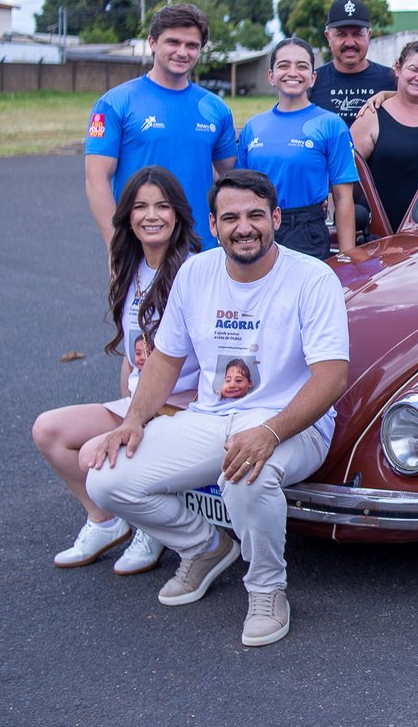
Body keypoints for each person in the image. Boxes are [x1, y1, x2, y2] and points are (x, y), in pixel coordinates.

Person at [83, 169, 349, 647]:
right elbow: (165, 358)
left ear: (277, 218)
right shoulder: (195, 272)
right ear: (212, 223)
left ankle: (267, 588)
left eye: (255, 215)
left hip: (293, 423)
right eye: (231, 218)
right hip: (213, 418)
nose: (244, 227)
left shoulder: (312, 277)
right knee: (105, 478)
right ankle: (203, 546)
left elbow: (331, 376)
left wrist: (269, 432)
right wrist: (133, 419)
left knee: (244, 473)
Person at [33, 166, 203, 575]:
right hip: (139, 403)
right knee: (49, 431)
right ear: (127, 215)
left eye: (163, 206)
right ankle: (105, 521)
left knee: (117, 455)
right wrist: (127, 404)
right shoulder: (128, 267)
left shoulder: (195, 271)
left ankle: (153, 523)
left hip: (182, 408)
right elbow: (133, 351)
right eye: (141, 206)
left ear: (178, 213)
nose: (152, 215)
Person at [85, 3, 236, 249]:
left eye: (192, 45)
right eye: (173, 42)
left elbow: (230, 176)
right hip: (139, 249)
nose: (182, 52)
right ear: (153, 43)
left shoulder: (216, 108)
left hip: (201, 249)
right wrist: (115, 247)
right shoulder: (115, 103)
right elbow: (96, 178)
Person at [236, 38, 358, 258]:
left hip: (306, 232)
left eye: (301, 66)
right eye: (283, 65)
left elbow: (343, 198)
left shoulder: (331, 125)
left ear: (312, 78)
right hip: (258, 227)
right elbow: (241, 192)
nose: (292, 72)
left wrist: (347, 254)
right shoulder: (253, 127)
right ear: (271, 76)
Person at [351, 38, 418, 229]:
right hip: (383, 236)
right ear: (398, 69)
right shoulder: (372, 116)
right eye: (413, 69)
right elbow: (343, 175)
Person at [308, 0, 397, 126]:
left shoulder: (392, 80)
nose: (350, 43)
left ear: (369, 35)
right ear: (328, 37)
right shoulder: (311, 83)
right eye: (341, 34)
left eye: (357, 34)